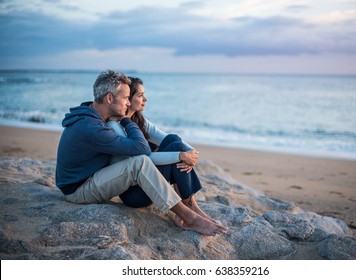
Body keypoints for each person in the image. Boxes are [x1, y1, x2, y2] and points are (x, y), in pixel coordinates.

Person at [55, 70, 227, 236]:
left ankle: (190, 206)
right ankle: (189, 217)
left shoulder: (92, 116)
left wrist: (187, 152)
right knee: (140, 163)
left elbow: (155, 142)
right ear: (109, 98)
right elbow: (142, 149)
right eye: (125, 98)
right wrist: (126, 120)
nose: (129, 103)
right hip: (78, 190)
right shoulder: (93, 128)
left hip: (88, 178)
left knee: (170, 143)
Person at [107, 76, 222, 227]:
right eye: (140, 95)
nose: (145, 99)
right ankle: (188, 205)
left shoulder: (138, 120)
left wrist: (191, 154)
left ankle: (190, 203)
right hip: (134, 194)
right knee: (175, 148)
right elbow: (143, 161)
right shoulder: (115, 127)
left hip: (148, 184)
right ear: (128, 99)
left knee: (173, 140)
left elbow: (168, 138)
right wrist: (181, 156)